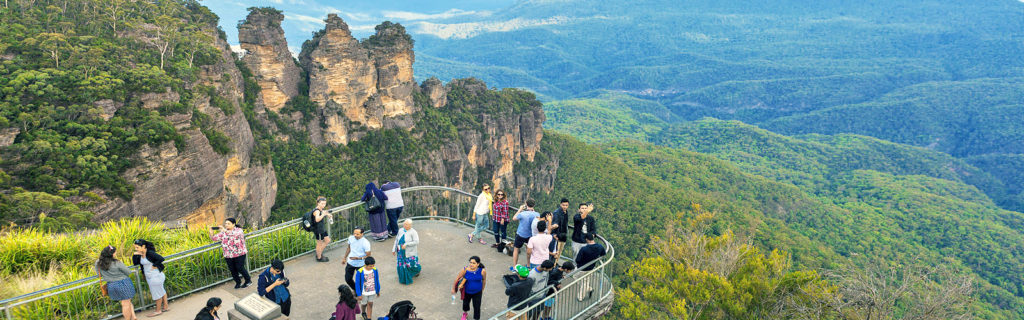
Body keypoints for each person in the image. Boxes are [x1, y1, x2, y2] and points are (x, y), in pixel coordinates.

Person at [96, 246, 137, 320]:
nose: (116, 253)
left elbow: (98, 274)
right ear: (112, 254)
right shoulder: (117, 262)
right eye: (115, 252)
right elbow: (128, 272)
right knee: (126, 304)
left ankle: (133, 317)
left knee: (125, 302)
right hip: (123, 283)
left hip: (111, 285)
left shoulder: (98, 263)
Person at [210, 218, 251, 288]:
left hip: (239, 253)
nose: (226, 225)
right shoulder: (223, 233)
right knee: (232, 270)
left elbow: (234, 235)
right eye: (225, 224)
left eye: (228, 224)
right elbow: (214, 238)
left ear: (233, 224)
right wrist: (211, 232)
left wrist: (224, 230)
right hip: (228, 255)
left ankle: (248, 280)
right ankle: (238, 282)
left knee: (240, 268)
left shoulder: (238, 230)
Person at [132, 239, 169, 316]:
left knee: (157, 293)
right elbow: (136, 264)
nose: (136, 249)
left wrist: (154, 265)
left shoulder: (150, 253)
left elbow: (161, 259)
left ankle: (158, 310)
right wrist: (135, 255)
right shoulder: (140, 255)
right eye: (135, 247)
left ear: (143, 246)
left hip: (155, 276)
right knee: (161, 290)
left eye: (137, 247)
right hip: (149, 276)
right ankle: (165, 306)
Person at [453, 256, 487, 320]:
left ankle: (476, 318)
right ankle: (465, 313)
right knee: (465, 304)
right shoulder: (465, 269)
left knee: (477, 306)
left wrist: (482, 289)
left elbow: (484, 280)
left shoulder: (482, 271)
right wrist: (453, 288)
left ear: (478, 264)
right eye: (470, 262)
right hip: (466, 291)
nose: (471, 264)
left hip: (477, 292)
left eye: (474, 263)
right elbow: (457, 278)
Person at [573, 234, 606, 301]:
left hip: (581, 268)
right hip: (591, 267)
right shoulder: (600, 246)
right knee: (581, 280)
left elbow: (577, 260)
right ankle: (589, 289)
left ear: (587, 239)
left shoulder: (584, 249)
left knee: (579, 279)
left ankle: (580, 297)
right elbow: (603, 254)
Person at [511, 200, 540, 268]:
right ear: (534, 205)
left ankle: (515, 266)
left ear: (526, 204)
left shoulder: (522, 214)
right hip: (530, 235)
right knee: (529, 250)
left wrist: (520, 209)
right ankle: (528, 265)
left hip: (520, 234)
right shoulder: (537, 214)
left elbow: (514, 218)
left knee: (516, 249)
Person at [392, 219, 421, 284]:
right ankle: (403, 277)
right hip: (400, 251)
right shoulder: (400, 230)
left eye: (407, 224)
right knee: (402, 263)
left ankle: (416, 271)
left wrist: (406, 244)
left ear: (410, 225)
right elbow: (397, 240)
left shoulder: (413, 232)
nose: (405, 225)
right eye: (404, 224)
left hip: (409, 252)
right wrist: (394, 249)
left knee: (411, 263)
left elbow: (416, 242)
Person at [313, 196, 334, 262]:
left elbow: (322, 212)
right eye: (322, 203)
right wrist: (324, 214)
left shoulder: (320, 209)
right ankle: (319, 257)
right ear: (318, 203)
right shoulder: (317, 211)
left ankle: (319, 253)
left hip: (322, 228)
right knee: (319, 243)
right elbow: (317, 219)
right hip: (318, 230)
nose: (323, 205)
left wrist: (327, 214)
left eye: (324, 204)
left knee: (327, 240)